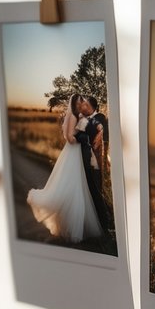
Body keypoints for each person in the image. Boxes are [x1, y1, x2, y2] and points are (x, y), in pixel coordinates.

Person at [27, 92, 103, 243]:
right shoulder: (73, 117)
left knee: (75, 185)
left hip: (74, 154)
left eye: (84, 102)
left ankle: (67, 224)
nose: (83, 104)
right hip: (72, 152)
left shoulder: (76, 115)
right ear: (76, 103)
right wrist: (82, 138)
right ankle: (71, 226)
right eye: (81, 102)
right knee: (73, 185)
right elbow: (68, 137)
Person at [75, 95, 111, 232]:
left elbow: (100, 126)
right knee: (88, 190)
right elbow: (77, 135)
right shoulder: (82, 119)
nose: (83, 107)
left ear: (92, 107)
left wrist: (100, 131)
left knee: (96, 191)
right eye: (82, 105)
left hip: (96, 161)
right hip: (85, 159)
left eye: (85, 105)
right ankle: (91, 222)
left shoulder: (100, 117)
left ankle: (105, 225)